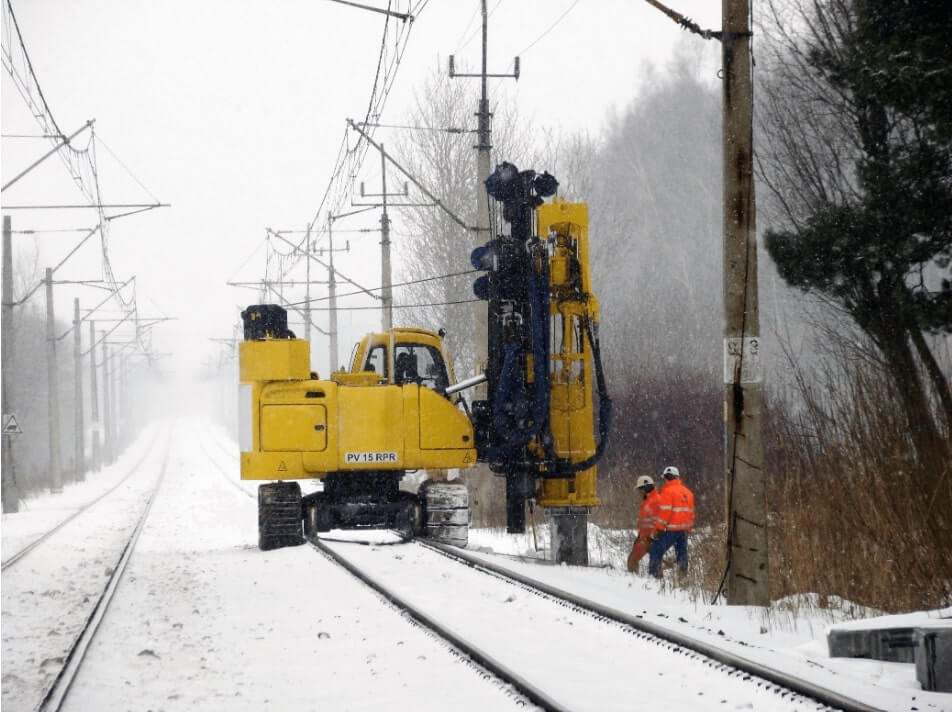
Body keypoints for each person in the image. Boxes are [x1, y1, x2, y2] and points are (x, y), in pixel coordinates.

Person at [647, 465, 695, 579]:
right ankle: (683, 577)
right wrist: (688, 528)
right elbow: (691, 513)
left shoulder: (668, 492)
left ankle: (655, 577)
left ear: (667, 477)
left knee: (655, 549)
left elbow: (665, 513)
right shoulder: (688, 493)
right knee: (681, 554)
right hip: (683, 531)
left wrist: (658, 528)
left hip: (671, 530)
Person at [627, 475, 661, 573]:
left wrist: (652, 535)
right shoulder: (648, 500)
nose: (639, 492)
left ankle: (635, 580)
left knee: (633, 560)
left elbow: (660, 520)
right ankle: (654, 579)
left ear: (646, 487)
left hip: (649, 537)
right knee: (634, 559)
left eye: (640, 489)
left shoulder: (656, 500)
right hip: (644, 536)